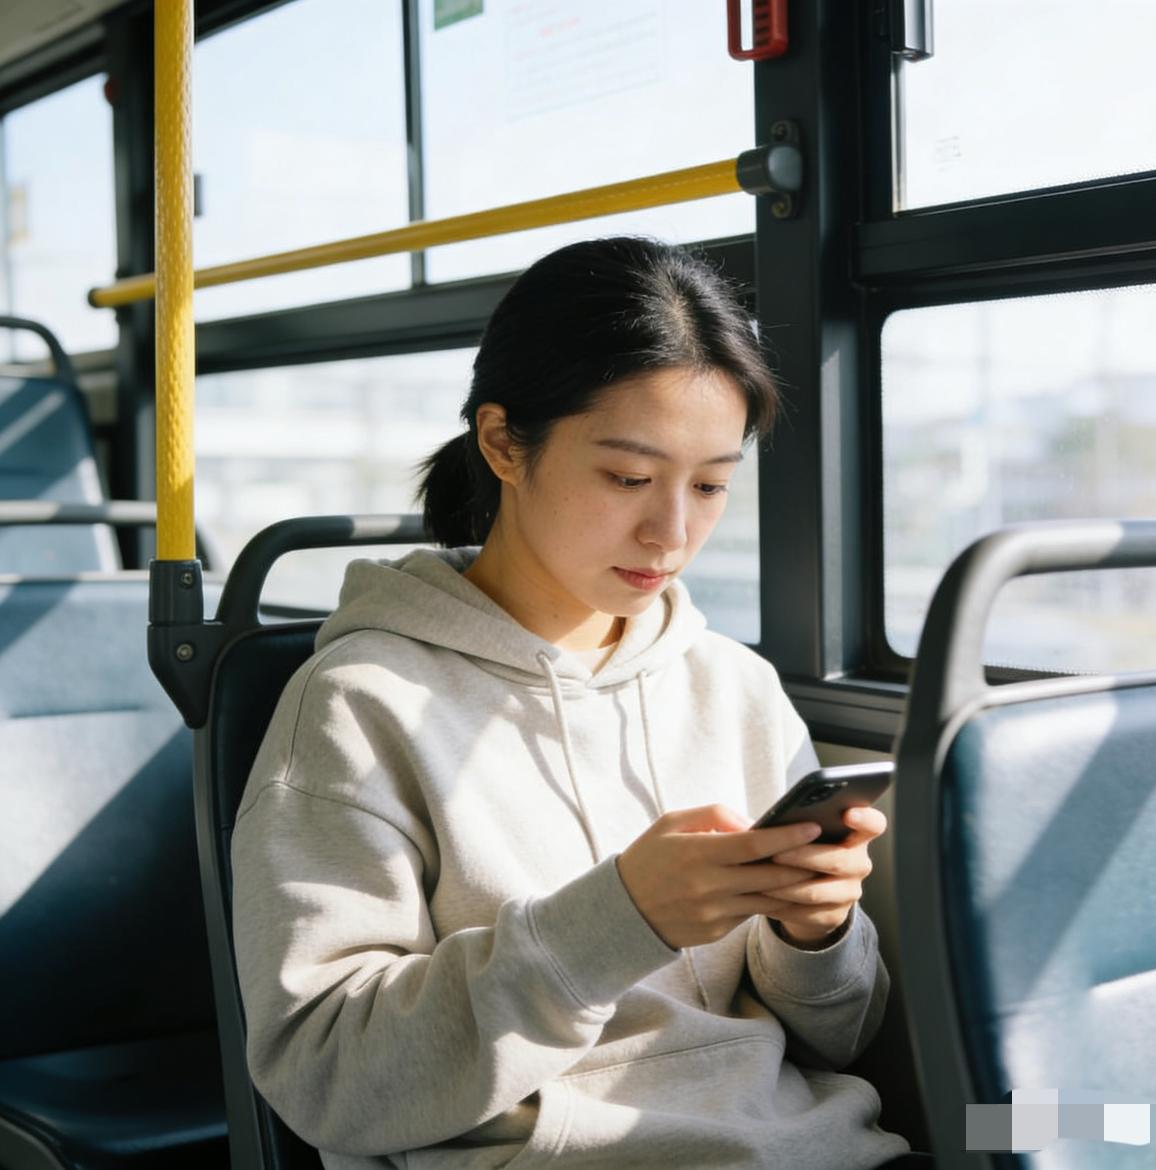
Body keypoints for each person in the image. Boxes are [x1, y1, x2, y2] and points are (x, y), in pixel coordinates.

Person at [231, 237, 922, 1169]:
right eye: (628, 478)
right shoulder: (358, 708)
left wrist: (817, 933)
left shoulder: (733, 685)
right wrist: (617, 921)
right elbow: (328, 1080)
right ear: (502, 443)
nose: (671, 532)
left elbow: (839, 1038)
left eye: (711, 485)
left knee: (1088, 1125)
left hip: (825, 1145)